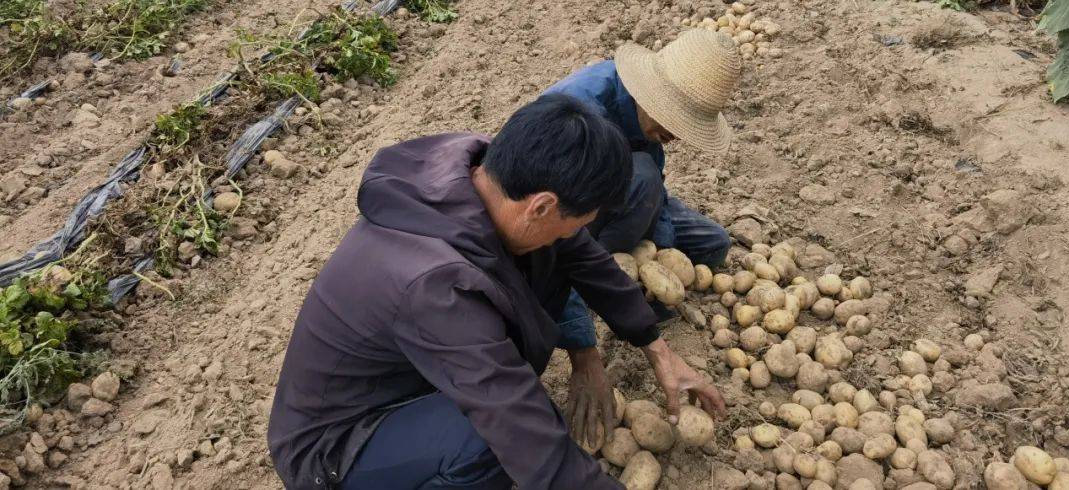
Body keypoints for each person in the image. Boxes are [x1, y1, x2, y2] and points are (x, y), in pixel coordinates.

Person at [268, 94, 724, 490]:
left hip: (405, 379)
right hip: (336, 448)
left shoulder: (490, 176)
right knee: (490, 443)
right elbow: (522, 431)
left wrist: (656, 347)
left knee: (549, 260)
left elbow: (582, 256)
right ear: (542, 206)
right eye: (576, 222)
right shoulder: (435, 285)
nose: (577, 235)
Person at [544, 28, 740, 444]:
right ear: (651, 94)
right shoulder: (580, 118)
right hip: (562, 216)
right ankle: (606, 269)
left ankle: (630, 252)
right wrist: (583, 351)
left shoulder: (645, 118)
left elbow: (656, 189)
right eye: (674, 120)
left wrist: (660, 256)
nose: (677, 134)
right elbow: (553, 235)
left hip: (624, 193)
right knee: (643, 179)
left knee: (713, 243)